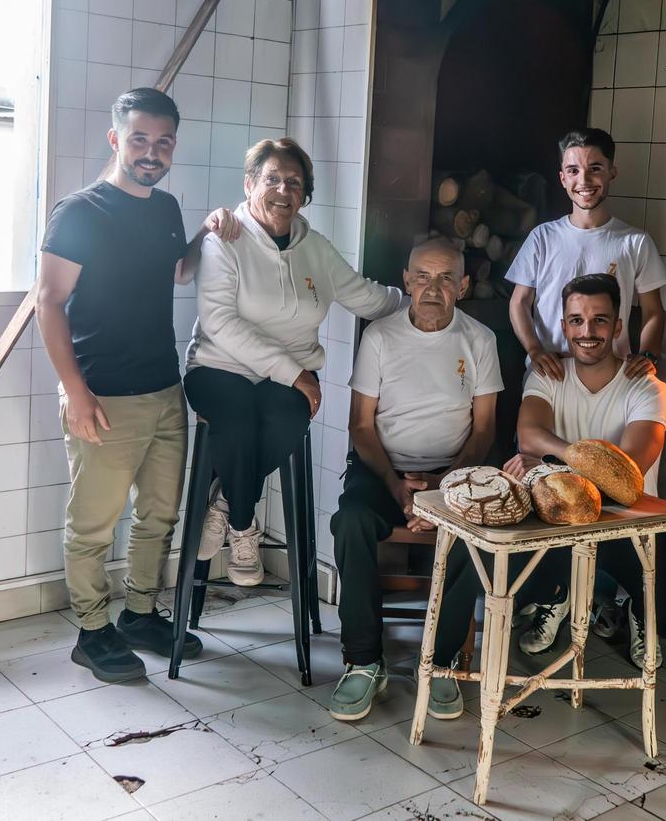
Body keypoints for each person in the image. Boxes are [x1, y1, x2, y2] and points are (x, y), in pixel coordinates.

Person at [37, 87, 239, 683]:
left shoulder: (165, 208)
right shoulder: (80, 211)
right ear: (116, 139)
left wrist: (206, 229)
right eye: (140, 139)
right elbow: (49, 303)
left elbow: (175, 271)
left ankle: (141, 615)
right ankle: (92, 631)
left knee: (159, 515)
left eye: (164, 141)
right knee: (93, 525)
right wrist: (75, 392)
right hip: (100, 394)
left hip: (162, 389)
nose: (152, 152)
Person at [184, 138, 403, 586]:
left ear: (304, 195)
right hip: (218, 367)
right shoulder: (226, 238)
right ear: (250, 185)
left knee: (287, 416)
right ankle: (244, 526)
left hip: (288, 380)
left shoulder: (314, 248)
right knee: (241, 417)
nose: (283, 190)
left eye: (294, 182)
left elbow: (366, 296)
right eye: (272, 179)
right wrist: (294, 372)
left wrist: (418, 300)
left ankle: (225, 502)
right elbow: (220, 321)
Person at [329, 237, 502, 723]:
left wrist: (443, 490)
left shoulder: (480, 340)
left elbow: (484, 427)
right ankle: (364, 661)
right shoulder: (380, 336)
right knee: (351, 523)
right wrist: (396, 485)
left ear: (464, 286)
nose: (433, 288)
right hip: (384, 469)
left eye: (446, 278)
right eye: (422, 277)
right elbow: (361, 425)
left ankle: (442, 664)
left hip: (454, 476)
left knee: (475, 538)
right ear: (406, 281)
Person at [502, 273, 666, 666]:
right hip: (561, 521)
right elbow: (527, 435)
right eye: (576, 320)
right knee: (511, 586)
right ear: (563, 326)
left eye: (599, 320)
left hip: (627, 523)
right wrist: (585, 460)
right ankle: (562, 597)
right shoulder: (548, 374)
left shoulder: (646, 386)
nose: (587, 332)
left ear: (618, 326)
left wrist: (551, 462)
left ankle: (635, 608)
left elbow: (628, 473)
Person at [507, 127, 666, 382]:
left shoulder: (636, 242)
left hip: (611, 378)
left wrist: (648, 355)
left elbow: (653, 311)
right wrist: (535, 350)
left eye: (595, 168)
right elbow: (519, 302)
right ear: (562, 178)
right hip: (549, 375)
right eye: (573, 171)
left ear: (612, 172)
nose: (583, 181)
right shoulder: (542, 237)